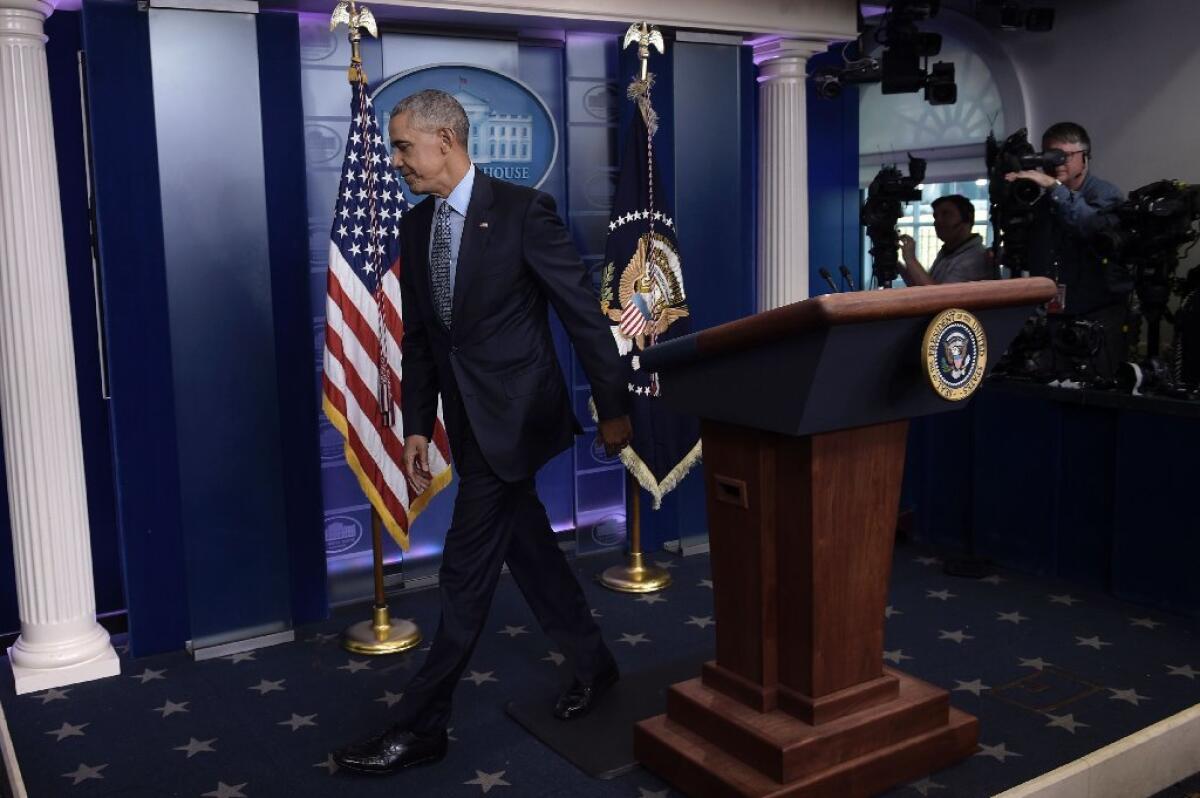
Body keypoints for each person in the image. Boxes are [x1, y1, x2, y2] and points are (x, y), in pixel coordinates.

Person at [333, 89, 633, 776]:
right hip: (468, 426)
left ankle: (421, 726)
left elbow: (582, 314)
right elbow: (424, 344)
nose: (397, 158)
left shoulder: (525, 211)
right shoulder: (415, 227)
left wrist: (613, 407)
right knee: (529, 549)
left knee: (463, 574)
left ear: (445, 139)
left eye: (405, 145)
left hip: (519, 417)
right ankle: (596, 662)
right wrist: (416, 427)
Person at [1004, 121, 1128, 377]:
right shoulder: (1042, 202)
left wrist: (1055, 188)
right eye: (1050, 155)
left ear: (1085, 157)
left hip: (1098, 314)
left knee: (1096, 388)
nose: (1057, 162)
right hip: (1054, 317)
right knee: (1054, 387)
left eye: (1066, 156)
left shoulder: (1105, 194)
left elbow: (1089, 225)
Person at [897, 194, 992, 285]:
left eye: (946, 214)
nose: (938, 221)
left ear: (967, 217)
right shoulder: (948, 251)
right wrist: (898, 264)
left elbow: (936, 297)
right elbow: (920, 286)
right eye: (935, 216)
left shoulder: (974, 258)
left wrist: (910, 258)